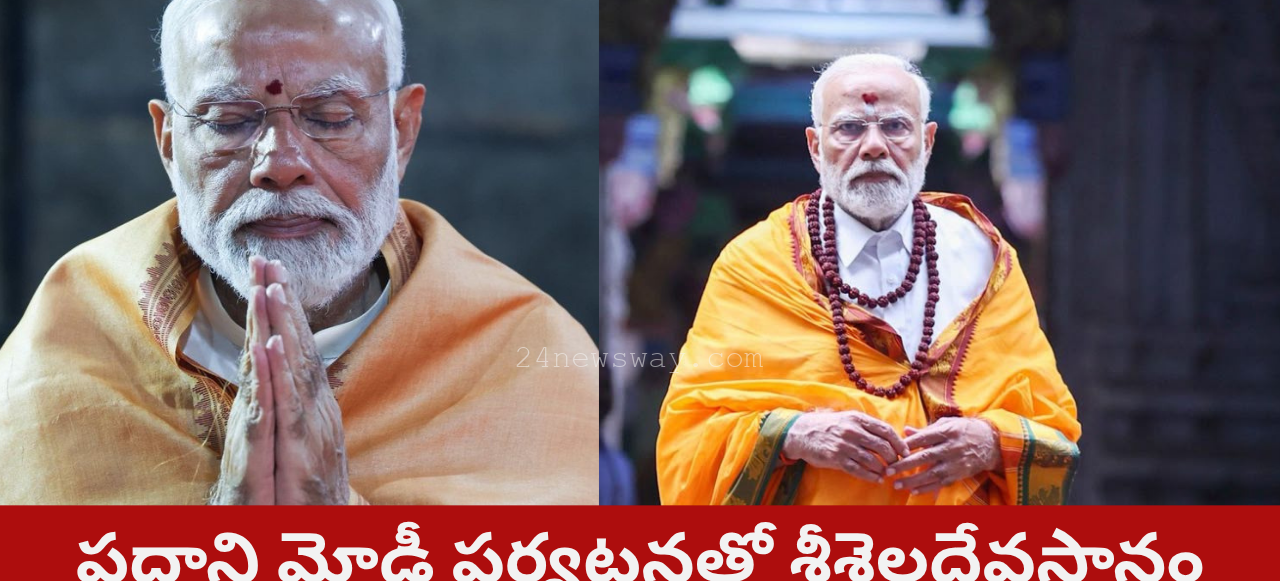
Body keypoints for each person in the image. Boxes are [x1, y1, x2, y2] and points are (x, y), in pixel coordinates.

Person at [0, 0, 596, 504]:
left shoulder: (525, 351)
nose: (281, 164)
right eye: (229, 122)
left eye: (330, 118)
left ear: (403, 129)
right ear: (168, 142)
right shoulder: (69, 339)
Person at [657, 53, 1079, 505]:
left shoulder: (982, 258)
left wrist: (990, 442)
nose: (874, 146)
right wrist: (792, 433)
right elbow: (690, 432)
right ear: (815, 147)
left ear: (928, 141)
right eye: (850, 128)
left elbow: (1052, 428)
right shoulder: (755, 264)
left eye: (896, 126)